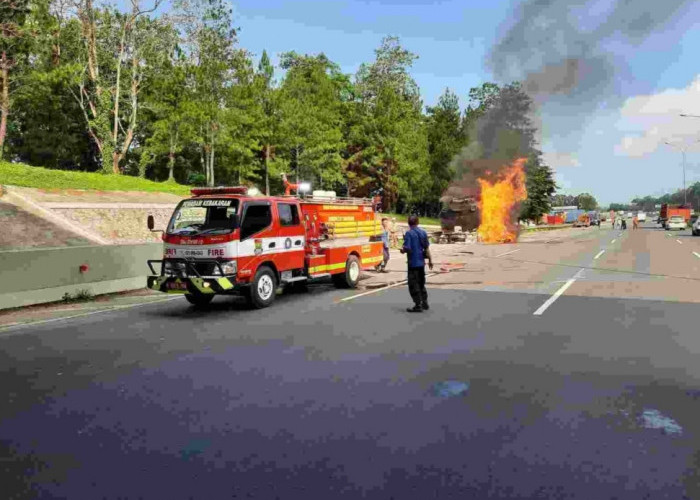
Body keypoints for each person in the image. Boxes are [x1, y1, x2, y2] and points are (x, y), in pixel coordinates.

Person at [400, 215, 434, 312]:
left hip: (413, 263)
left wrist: (402, 250)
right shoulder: (423, 232)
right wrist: (430, 260)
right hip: (421, 263)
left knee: (413, 284)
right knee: (421, 283)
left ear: (408, 223)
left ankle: (418, 305)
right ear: (418, 222)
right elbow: (426, 248)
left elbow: (408, 248)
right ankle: (425, 302)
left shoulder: (409, 233)